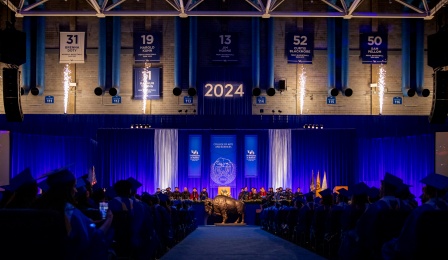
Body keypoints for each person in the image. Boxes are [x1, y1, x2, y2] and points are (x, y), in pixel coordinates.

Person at [32, 168, 113, 260]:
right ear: (66, 189)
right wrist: (109, 219)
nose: (76, 190)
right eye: (74, 186)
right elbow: (92, 239)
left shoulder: (35, 208)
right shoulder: (69, 211)